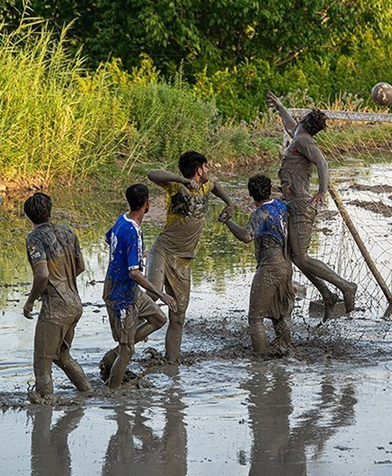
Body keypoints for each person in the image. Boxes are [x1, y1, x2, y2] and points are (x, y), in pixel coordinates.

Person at [266, 91, 357, 319]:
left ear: (306, 120)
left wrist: (321, 191)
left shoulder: (305, 141)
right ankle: (326, 294)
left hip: (301, 205)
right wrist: (279, 105)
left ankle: (346, 287)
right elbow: (289, 124)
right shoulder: (298, 134)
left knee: (301, 257)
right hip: (291, 204)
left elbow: (323, 163)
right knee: (294, 256)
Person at [146, 151, 235, 363]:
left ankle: (171, 363)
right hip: (163, 251)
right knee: (152, 296)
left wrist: (229, 203)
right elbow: (152, 174)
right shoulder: (176, 186)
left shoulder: (207, 186)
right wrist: (181, 179)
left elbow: (217, 187)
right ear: (198, 170)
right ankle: (127, 333)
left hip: (184, 260)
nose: (209, 170)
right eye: (206, 167)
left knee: (178, 316)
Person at [99, 184, 178, 389]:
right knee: (128, 351)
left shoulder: (121, 219)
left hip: (129, 290)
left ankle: (115, 353)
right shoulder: (133, 231)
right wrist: (161, 294)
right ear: (146, 203)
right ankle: (113, 390)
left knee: (159, 318)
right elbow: (134, 273)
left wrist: (132, 256)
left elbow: (109, 239)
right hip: (121, 294)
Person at [22, 192, 92, 403]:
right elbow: (80, 266)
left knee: (42, 364)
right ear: (50, 211)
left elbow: (42, 274)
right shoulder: (68, 232)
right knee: (62, 357)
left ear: (28, 216)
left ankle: (46, 404)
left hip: (56, 308)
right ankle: (88, 393)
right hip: (74, 303)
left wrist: (30, 300)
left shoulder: (34, 238)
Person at [220, 174, 295, 356]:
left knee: (255, 319)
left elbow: (247, 236)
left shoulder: (259, 214)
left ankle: (260, 365)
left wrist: (228, 221)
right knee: (280, 315)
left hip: (269, 267)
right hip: (286, 266)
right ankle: (285, 354)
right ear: (269, 190)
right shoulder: (280, 206)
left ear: (251, 195)